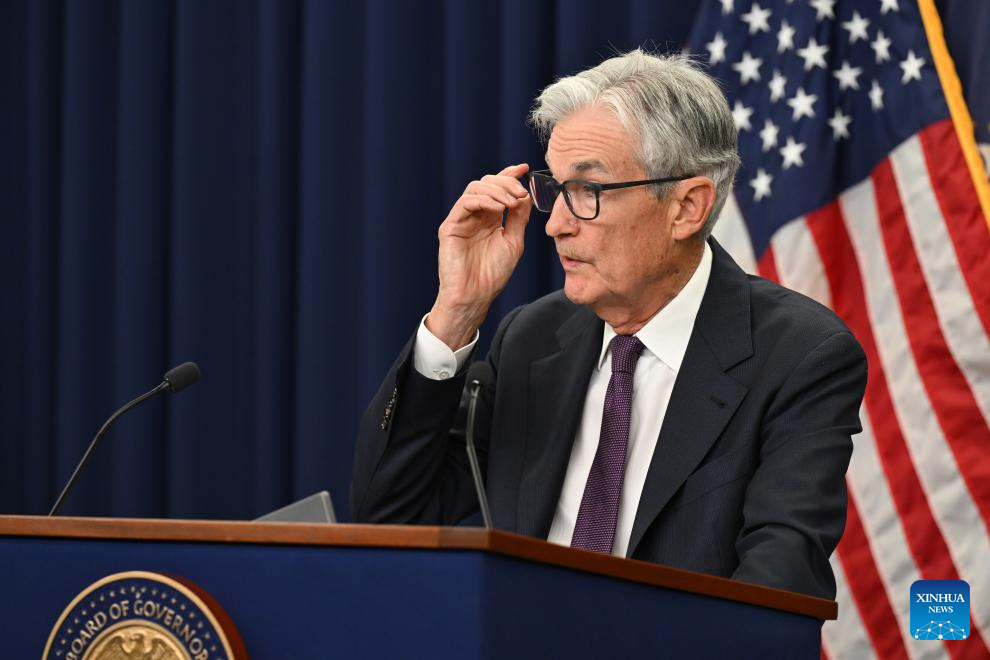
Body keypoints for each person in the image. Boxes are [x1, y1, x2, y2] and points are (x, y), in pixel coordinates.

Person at [350, 50, 867, 600]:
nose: (556, 225)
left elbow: (776, 591)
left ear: (687, 208)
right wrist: (456, 312)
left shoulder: (799, 357)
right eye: (555, 190)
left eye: (587, 193)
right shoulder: (531, 339)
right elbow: (389, 519)